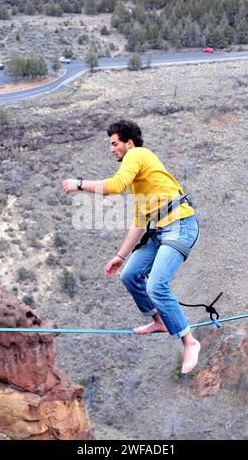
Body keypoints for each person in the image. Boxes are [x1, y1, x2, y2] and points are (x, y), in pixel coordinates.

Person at [62, 119, 200, 374]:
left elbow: (114, 186)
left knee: (156, 285)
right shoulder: (140, 182)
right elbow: (139, 223)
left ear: (129, 143)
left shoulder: (137, 154)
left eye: (114, 144)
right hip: (159, 231)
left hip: (181, 225)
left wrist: (79, 184)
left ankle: (189, 341)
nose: (111, 149)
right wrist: (120, 256)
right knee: (130, 275)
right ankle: (159, 321)